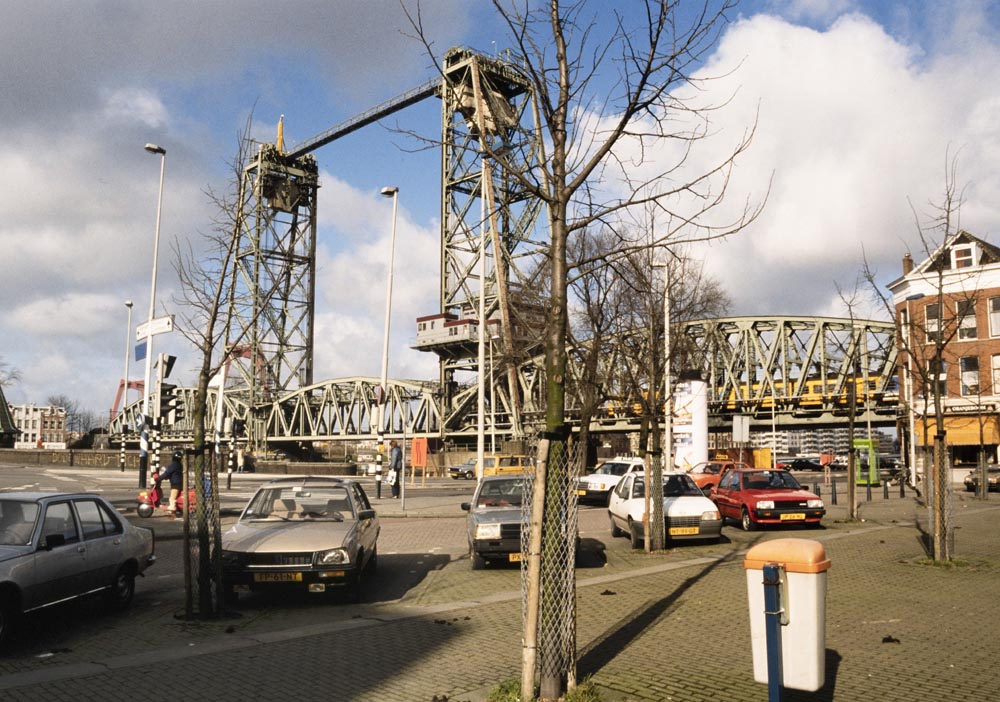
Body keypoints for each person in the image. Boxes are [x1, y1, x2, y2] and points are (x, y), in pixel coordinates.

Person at [156, 450, 185, 515]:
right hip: (180, 483)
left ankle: (172, 510)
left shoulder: (173, 465)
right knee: (177, 497)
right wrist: (167, 477)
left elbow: (167, 473)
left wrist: (159, 479)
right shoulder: (180, 465)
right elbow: (173, 473)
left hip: (175, 484)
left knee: (172, 498)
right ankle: (178, 509)